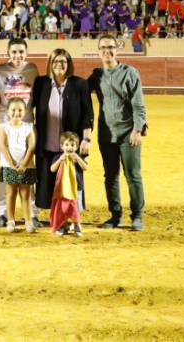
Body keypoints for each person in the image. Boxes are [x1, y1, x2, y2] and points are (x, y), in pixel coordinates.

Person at [89, 34, 147, 231]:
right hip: (106, 134)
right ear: (98, 52)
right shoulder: (96, 75)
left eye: (110, 47)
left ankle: (137, 215)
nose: (107, 51)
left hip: (128, 132)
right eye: (103, 48)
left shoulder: (130, 72)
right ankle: (115, 216)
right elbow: (79, 91)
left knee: (133, 175)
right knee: (110, 176)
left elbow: (139, 104)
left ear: (117, 49)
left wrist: (138, 129)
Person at [31, 49, 93, 213]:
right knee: (46, 185)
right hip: (47, 144)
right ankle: (53, 216)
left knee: (71, 183)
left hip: (70, 146)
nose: (59, 64)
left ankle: (71, 216)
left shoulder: (80, 84)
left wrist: (86, 139)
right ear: (50, 64)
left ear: (69, 64)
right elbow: (29, 107)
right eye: (55, 61)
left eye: (63, 61)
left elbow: (87, 114)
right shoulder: (41, 83)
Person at [0, 38, 39, 228]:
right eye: (14, 52)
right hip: (5, 125)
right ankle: (2, 213)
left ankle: (32, 214)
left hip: (26, 125)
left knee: (28, 168)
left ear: (26, 53)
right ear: (8, 53)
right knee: (5, 168)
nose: (18, 55)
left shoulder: (32, 70)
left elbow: (36, 97)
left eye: (21, 52)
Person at [0, 98, 37, 233]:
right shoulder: (3, 127)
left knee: (25, 194)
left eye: (20, 110)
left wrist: (24, 164)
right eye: (13, 110)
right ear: (8, 111)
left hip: (26, 166)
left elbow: (31, 147)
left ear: (25, 112)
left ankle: (28, 222)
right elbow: (3, 146)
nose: (16, 113)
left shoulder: (28, 127)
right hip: (10, 166)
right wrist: (12, 164)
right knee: (11, 193)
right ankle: (11, 221)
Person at [49, 132, 88, 237]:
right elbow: (52, 169)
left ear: (77, 147)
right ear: (62, 146)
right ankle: (63, 225)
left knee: (76, 208)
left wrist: (78, 159)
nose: (69, 147)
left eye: (72, 145)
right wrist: (60, 160)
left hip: (76, 188)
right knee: (63, 208)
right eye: (66, 145)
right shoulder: (59, 157)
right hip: (63, 189)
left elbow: (86, 168)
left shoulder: (78, 157)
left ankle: (77, 225)